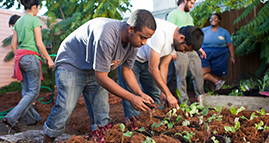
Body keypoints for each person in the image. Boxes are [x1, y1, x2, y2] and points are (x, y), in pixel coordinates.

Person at [42, 9, 157, 143]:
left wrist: (140, 94)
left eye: (147, 39)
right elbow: (102, 78)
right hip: (71, 65)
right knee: (65, 108)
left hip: (94, 69)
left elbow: (127, 71)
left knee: (101, 114)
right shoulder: (107, 36)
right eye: (143, 37)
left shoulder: (134, 43)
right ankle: (47, 141)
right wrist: (132, 98)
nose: (144, 43)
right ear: (131, 29)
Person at [118, 18, 204, 117]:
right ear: (181, 38)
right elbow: (153, 68)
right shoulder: (161, 34)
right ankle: (133, 126)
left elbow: (164, 66)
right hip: (131, 59)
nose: (184, 52)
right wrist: (169, 94)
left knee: (156, 94)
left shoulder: (175, 39)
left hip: (146, 61)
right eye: (185, 49)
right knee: (133, 96)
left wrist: (164, 92)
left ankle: (156, 125)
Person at [1, 0, 54, 132]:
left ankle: (32, 118)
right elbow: (39, 43)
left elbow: (14, 45)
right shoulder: (34, 20)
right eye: (38, 8)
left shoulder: (18, 22)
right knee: (33, 92)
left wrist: (22, 55)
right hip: (30, 58)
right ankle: (12, 117)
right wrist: (48, 59)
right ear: (35, 6)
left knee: (26, 92)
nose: (38, 10)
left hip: (20, 58)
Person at [166, 0, 205, 104]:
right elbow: (170, 32)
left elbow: (193, 37)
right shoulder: (173, 14)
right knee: (181, 76)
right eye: (191, 2)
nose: (192, 6)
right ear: (184, 1)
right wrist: (172, 51)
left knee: (198, 73)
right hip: (180, 48)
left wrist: (199, 48)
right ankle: (183, 101)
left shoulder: (189, 17)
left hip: (191, 49)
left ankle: (201, 98)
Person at [201, 13, 235, 90]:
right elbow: (198, 42)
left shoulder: (224, 32)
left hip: (220, 54)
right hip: (205, 54)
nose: (213, 19)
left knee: (216, 74)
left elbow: (230, 44)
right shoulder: (204, 31)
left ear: (219, 20)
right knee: (201, 73)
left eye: (215, 18)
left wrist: (232, 57)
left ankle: (215, 93)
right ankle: (218, 82)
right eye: (211, 18)